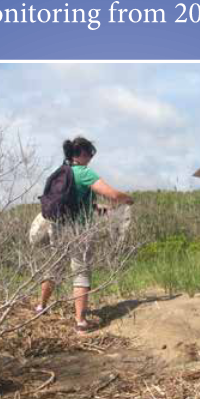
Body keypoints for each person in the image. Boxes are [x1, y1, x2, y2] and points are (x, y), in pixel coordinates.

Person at [38, 136, 134, 332]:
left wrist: (98, 209)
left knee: (54, 268)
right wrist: (128, 199)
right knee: (81, 273)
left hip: (57, 227)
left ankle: (41, 306)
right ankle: (81, 322)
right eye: (89, 153)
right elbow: (113, 194)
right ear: (80, 154)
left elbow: (77, 202)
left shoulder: (62, 173)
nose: (91, 157)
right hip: (79, 232)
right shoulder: (84, 173)